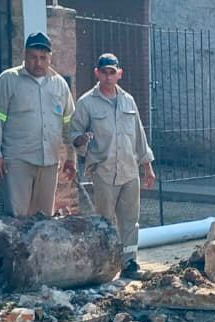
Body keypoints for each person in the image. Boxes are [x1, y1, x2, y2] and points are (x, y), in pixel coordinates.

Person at [69, 53, 157, 279]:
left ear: (119, 74)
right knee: (105, 221)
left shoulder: (128, 101)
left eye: (112, 72)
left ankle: (129, 263)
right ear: (97, 73)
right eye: (104, 72)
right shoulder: (86, 103)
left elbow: (139, 135)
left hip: (129, 170)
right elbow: (74, 133)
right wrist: (81, 140)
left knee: (130, 221)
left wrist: (147, 166)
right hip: (104, 171)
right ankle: (106, 265)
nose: (108, 77)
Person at [0, 32, 75, 218]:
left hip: (49, 162)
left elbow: (70, 124)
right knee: (16, 218)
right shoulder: (8, 80)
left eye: (43, 58)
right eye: (33, 57)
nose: (38, 62)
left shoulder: (60, 85)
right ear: (24, 55)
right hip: (18, 161)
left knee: (44, 219)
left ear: (50, 58)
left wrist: (71, 157)